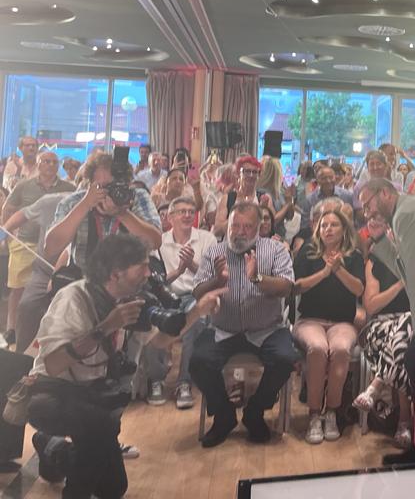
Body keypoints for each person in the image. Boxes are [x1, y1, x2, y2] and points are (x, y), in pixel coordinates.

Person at [27, 232, 223, 499]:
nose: (148, 273)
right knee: (101, 427)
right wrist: (107, 327)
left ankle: (52, 447)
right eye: (142, 266)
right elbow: (53, 363)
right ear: (116, 273)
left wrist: (198, 310)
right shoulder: (74, 298)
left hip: (93, 395)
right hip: (51, 393)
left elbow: (160, 341)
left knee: (113, 488)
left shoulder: (133, 299)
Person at [189, 201, 301, 447]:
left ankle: (255, 412)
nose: (239, 232)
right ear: (227, 226)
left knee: (285, 359)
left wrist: (257, 278)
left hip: (266, 329)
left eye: (247, 226)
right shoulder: (214, 252)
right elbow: (197, 292)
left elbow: (286, 287)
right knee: (198, 362)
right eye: (235, 226)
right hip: (223, 329)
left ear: (259, 228)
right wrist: (217, 281)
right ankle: (224, 415)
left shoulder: (275, 249)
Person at [358, 177, 415, 464]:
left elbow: (414, 278)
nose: (367, 213)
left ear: (385, 193)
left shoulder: (407, 215)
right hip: (413, 317)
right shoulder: (399, 215)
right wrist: (379, 240)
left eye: (368, 204)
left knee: (413, 362)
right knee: (411, 363)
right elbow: (404, 271)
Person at [292, 209, 364, 444]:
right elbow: (297, 286)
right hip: (309, 320)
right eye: (324, 225)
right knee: (318, 347)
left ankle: (331, 411)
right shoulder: (308, 252)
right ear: (318, 229)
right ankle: (314, 414)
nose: (328, 229)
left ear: (344, 230)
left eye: (334, 225)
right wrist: (324, 272)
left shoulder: (353, 256)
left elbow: (358, 289)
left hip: (342, 322)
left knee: (341, 349)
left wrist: (338, 269)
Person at [142, 195, 216, 409]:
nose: (187, 215)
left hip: (195, 294)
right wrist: (179, 271)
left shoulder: (207, 239)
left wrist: (191, 265)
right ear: (170, 217)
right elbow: (154, 281)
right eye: (182, 211)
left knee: (196, 319)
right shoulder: (158, 243)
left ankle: (184, 382)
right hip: (166, 295)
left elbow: (213, 278)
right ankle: (156, 379)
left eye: (191, 212)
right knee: (152, 320)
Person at [1, 150, 74, 346]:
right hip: (30, 248)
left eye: (54, 162)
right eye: (46, 161)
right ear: (39, 164)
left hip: (64, 261)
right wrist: (5, 232)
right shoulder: (34, 192)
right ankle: (15, 337)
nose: (50, 165)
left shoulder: (70, 190)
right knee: (21, 295)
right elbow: (14, 211)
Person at [355, 215, 414, 449]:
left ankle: (376, 386)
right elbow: (371, 306)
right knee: (403, 339)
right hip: (379, 327)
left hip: (409, 328)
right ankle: (404, 422)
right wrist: (401, 284)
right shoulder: (375, 261)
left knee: (405, 330)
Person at [45, 152, 162, 269]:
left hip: (128, 276)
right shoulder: (74, 202)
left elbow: (155, 242)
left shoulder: (136, 197)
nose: (108, 192)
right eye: (101, 187)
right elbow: (51, 248)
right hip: (83, 275)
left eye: (113, 186)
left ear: (127, 184)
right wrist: (85, 205)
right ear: (90, 184)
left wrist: (123, 214)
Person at [213, 156, 272, 237]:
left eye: (255, 172)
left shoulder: (264, 198)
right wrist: (237, 216)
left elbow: (269, 229)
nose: (251, 175)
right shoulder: (228, 199)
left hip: (257, 243)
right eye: (247, 171)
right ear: (238, 174)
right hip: (232, 243)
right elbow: (217, 230)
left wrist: (261, 210)